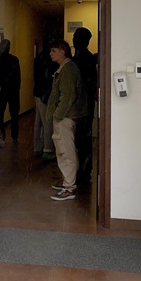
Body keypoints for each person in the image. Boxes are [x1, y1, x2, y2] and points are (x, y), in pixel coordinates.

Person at [46, 39, 87, 201]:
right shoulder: (65, 68)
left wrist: (57, 115)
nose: (51, 54)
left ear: (63, 52)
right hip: (65, 116)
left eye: (53, 50)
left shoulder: (68, 69)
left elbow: (68, 96)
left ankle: (69, 187)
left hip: (65, 117)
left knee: (66, 151)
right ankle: (67, 182)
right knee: (63, 149)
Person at [71, 27, 98, 189]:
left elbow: (86, 85)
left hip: (83, 107)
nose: (74, 40)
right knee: (80, 140)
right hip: (81, 106)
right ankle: (81, 170)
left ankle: (84, 171)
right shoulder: (79, 58)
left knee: (83, 141)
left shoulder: (86, 59)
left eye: (77, 37)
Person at [31, 40, 58, 160]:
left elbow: (38, 77)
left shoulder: (38, 58)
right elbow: (48, 78)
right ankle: (47, 149)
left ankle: (37, 147)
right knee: (47, 121)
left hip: (37, 92)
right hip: (45, 93)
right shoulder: (49, 60)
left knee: (38, 121)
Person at [0, 38, 21, 146]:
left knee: (0, 114)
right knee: (14, 115)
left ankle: (2, 135)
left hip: (2, 91)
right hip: (12, 91)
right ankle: (14, 136)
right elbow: (18, 77)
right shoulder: (14, 60)